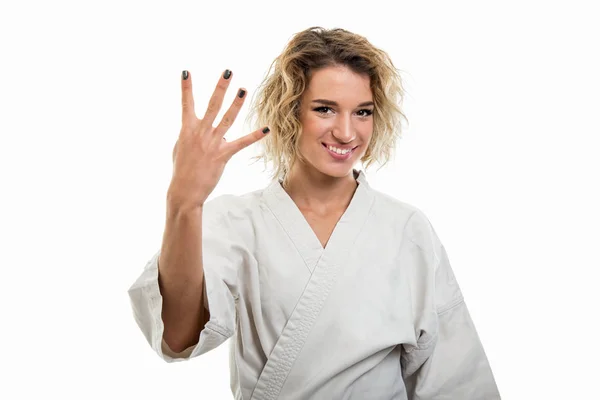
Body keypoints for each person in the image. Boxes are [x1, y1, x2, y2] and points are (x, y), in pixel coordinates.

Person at [128, 26, 501, 399]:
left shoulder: (407, 229)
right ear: (290, 111)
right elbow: (176, 336)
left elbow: (456, 380)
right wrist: (184, 203)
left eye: (362, 112)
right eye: (325, 109)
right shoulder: (236, 223)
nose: (346, 132)